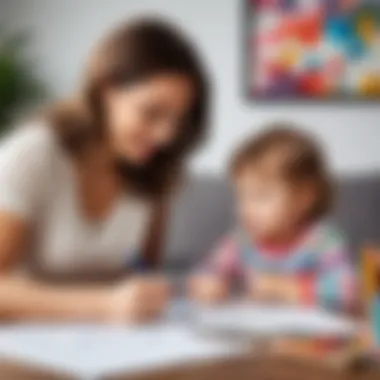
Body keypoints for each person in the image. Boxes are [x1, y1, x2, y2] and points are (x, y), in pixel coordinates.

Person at [0, 18, 209, 323]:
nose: (166, 136)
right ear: (106, 90)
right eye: (151, 113)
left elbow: (142, 273)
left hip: (109, 347)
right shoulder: (34, 155)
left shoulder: (155, 167)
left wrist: (176, 289)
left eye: (177, 120)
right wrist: (104, 304)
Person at [190, 125, 356, 312]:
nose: (245, 209)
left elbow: (348, 290)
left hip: (306, 338)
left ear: (304, 197)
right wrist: (209, 283)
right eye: (241, 196)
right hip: (254, 335)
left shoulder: (322, 241)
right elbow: (208, 270)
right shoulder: (242, 240)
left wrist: (284, 288)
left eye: (260, 196)